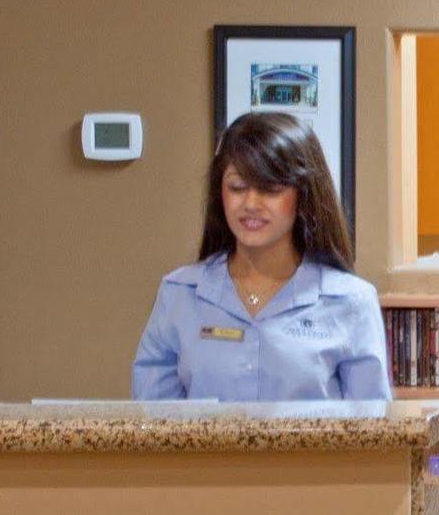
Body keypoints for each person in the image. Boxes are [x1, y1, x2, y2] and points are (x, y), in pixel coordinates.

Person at [132, 111, 390, 401]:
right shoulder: (179, 294)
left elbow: (374, 435)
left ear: (303, 194)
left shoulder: (351, 301)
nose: (250, 204)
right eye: (237, 188)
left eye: (270, 189)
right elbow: (153, 429)